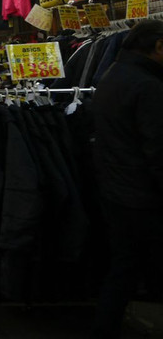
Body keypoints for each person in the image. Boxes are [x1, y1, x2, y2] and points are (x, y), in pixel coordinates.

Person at [92, 19, 163, 339]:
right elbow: (158, 150)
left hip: (115, 189)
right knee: (128, 269)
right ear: (158, 46)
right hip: (142, 196)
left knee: (124, 267)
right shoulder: (148, 86)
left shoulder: (111, 76)